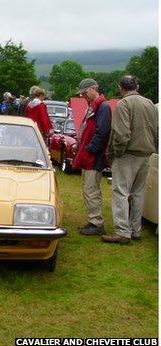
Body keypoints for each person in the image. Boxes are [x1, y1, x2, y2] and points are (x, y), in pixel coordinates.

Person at [102, 76, 158, 244]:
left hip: (128, 154)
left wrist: (116, 153)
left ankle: (122, 232)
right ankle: (136, 230)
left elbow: (121, 133)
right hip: (146, 154)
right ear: (137, 86)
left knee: (120, 192)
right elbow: (156, 130)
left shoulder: (123, 104)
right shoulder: (150, 103)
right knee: (138, 193)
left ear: (120, 88)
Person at [72, 78, 112, 236]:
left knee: (91, 190)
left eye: (83, 93)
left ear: (91, 89)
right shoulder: (96, 106)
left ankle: (96, 223)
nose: (83, 96)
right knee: (89, 189)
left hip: (93, 156)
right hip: (90, 154)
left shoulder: (102, 107)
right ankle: (93, 220)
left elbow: (102, 132)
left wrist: (90, 149)